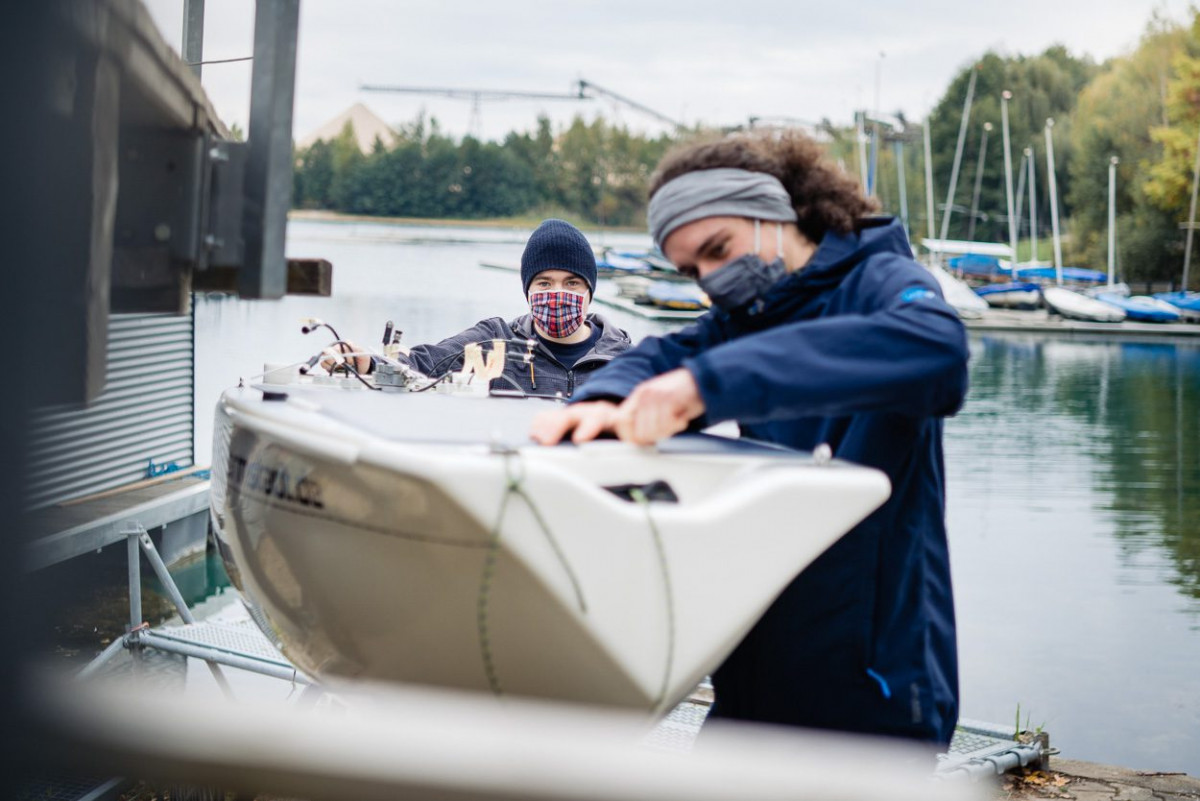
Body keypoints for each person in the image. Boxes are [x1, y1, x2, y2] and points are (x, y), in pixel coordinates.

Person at [530, 131, 969, 746]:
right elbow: (664, 355)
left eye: (718, 250)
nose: (711, 281)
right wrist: (599, 405)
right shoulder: (748, 316)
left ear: (775, 213)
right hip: (755, 682)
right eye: (691, 270)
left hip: (878, 691)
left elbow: (938, 352)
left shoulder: (884, 282)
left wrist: (706, 385)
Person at [326, 219, 632, 397]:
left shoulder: (626, 359)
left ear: (590, 291)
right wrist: (365, 362)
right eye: (544, 283)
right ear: (528, 290)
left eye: (572, 284)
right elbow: (421, 364)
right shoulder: (494, 340)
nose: (557, 293)